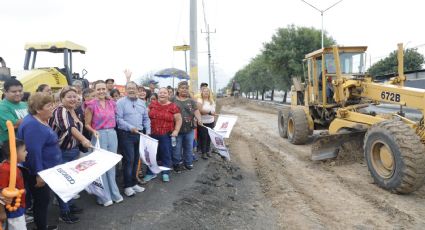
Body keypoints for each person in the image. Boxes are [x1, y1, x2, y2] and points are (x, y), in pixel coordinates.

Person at [18, 93, 61, 230]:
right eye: (49, 105)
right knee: (41, 201)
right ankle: (41, 227)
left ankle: (42, 225)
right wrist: (39, 174)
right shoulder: (33, 125)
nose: (53, 107)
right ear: (38, 109)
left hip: (46, 168)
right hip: (39, 171)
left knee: (43, 200)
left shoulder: (39, 119)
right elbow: (33, 153)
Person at [49, 86, 92, 223]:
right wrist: (84, 140)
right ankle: (64, 212)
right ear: (62, 99)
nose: (73, 99)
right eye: (69, 97)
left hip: (72, 151)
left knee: (71, 180)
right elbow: (69, 128)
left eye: (75, 96)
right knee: (63, 181)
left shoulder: (74, 110)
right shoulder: (60, 110)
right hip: (60, 152)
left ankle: (70, 205)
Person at [84, 80, 123, 206]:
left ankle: (114, 194)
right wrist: (94, 131)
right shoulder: (90, 105)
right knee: (101, 166)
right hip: (99, 135)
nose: (101, 91)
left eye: (103, 89)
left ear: (106, 89)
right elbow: (87, 125)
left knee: (111, 165)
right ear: (94, 90)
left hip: (112, 134)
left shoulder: (112, 103)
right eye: (98, 89)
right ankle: (104, 196)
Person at [116, 81, 150, 197]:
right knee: (129, 160)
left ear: (137, 90)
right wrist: (131, 128)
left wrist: (148, 131)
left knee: (136, 160)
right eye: (129, 88)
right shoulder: (120, 103)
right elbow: (119, 119)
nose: (131, 90)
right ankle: (127, 186)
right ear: (125, 90)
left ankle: (134, 183)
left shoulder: (142, 103)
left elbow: (146, 119)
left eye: (133, 88)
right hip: (126, 134)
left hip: (139, 134)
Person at [145, 87, 182, 182]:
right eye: (160, 93)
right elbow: (145, 116)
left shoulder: (173, 106)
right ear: (158, 94)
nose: (162, 94)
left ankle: (165, 173)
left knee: (166, 154)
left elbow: (178, 119)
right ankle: (150, 172)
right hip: (152, 134)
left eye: (164, 93)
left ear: (168, 95)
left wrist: (176, 131)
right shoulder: (152, 105)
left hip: (166, 134)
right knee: (151, 155)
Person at [171, 81, 203, 172]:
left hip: (189, 129)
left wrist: (199, 119)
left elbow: (196, 111)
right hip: (176, 130)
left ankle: (188, 163)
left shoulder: (191, 101)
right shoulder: (172, 99)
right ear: (178, 89)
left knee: (188, 147)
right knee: (176, 148)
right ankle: (176, 164)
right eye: (182, 88)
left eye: (186, 88)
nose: (184, 90)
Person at [0, 139, 27, 230]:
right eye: (24, 150)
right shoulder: (5, 170)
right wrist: (2, 212)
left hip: (18, 206)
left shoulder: (15, 166)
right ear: (14, 153)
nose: (26, 152)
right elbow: (1, 192)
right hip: (12, 209)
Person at [0, 78, 28, 162]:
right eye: (14, 91)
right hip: (10, 149)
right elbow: (13, 124)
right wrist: (33, 118)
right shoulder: (2, 107)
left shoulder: (24, 104)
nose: (18, 93)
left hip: (25, 146)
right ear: (5, 92)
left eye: (20, 91)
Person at [197, 87, 216, 159]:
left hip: (211, 121)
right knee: (203, 137)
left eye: (207, 91)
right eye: (204, 91)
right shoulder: (200, 100)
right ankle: (203, 152)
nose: (206, 93)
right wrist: (209, 112)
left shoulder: (211, 101)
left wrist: (213, 113)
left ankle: (208, 151)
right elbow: (200, 111)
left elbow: (213, 110)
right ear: (202, 92)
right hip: (203, 122)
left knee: (209, 137)